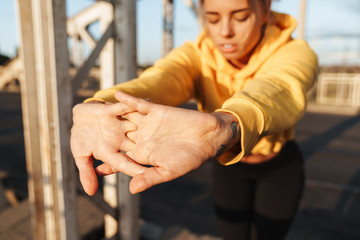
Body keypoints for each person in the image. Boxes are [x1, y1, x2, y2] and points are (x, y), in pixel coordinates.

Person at [70, 0, 318, 239]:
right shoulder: (196, 55)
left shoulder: (295, 52)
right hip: (229, 167)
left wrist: (228, 122)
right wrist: (102, 105)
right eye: (212, 18)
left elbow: (279, 86)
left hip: (279, 169)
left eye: (241, 16)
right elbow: (160, 79)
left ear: (265, 9)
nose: (225, 31)